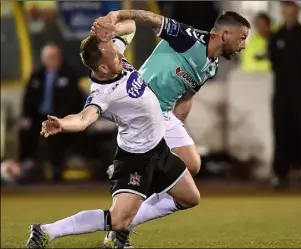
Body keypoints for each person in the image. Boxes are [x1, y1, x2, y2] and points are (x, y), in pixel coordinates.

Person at [26, 25, 200, 248]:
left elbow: (132, 26)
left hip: (159, 147)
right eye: (115, 55)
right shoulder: (103, 93)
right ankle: (46, 231)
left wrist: (113, 23)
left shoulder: (111, 56)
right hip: (135, 157)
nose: (120, 54)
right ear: (102, 67)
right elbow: (83, 118)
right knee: (117, 219)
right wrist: (62, 123)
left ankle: (122, 230)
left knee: (190, 197)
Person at [91, 9, 250, 247]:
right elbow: (151, 19)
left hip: (165, 113)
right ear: (225, 34)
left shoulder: (212, 66)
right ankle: (124, 206)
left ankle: (128, 214)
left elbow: (186, 96)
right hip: (144, 107)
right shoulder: (189, 38)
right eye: (242, 38)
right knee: (175, 180)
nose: (244, 45)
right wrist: (117, 15)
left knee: (192, 165)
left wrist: (179, 124)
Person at [19, 44, 84, 181]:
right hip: (39, 117)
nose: (52, 60)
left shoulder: (70, 75)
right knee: (25, 130)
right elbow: (28, 99)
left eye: (55, 56)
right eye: (49, 57)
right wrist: (26, 116)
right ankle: (26, 167)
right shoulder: (37, 76)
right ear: (44, 59)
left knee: (55, 133)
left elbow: (74, 100)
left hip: (61, 117)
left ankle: (56, 170)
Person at [268, 1, 301, 188]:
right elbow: (274, 62)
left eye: (292, 13)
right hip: (282, 93)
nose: (289, 16)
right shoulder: (277, 36)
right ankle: (281, 173)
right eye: (286, 13)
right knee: (281, 133)